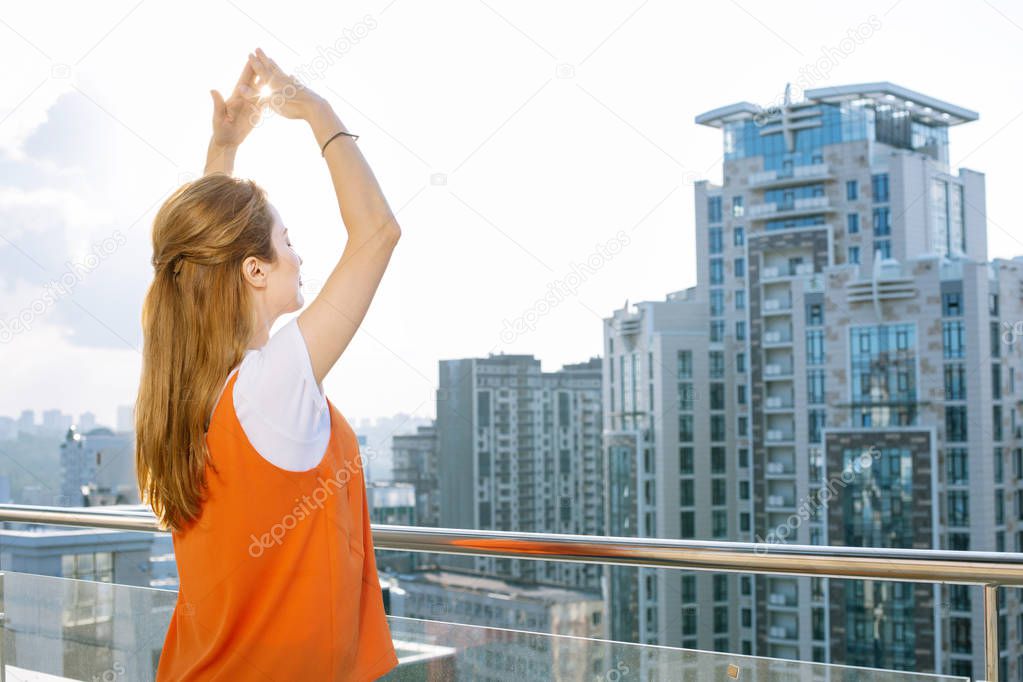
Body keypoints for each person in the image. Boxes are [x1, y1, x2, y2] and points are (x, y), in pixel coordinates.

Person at [135, 47, 402, 681]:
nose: (300, 259)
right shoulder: (268, 388)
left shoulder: (194, 388)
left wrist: (223, 148)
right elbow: (377, 232)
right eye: (287, 243)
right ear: (254, 270)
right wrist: (314, 109)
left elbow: (201, 253)